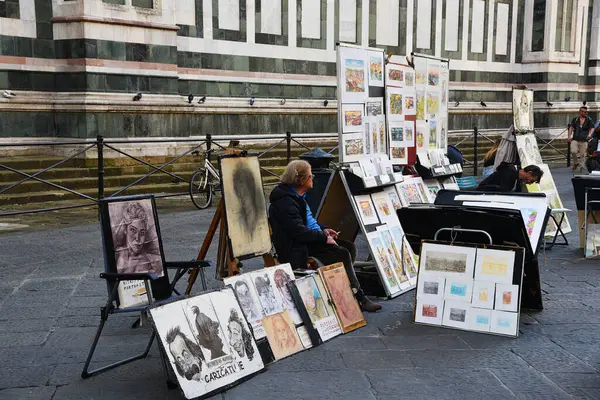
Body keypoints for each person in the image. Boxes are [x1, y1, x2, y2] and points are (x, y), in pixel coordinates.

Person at [269, 160, 381, 313]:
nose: (313, 178)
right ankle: (358, 296)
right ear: (301, 180)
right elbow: (298, 231)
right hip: (295, 247)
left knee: (349, 247)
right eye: (310, 176)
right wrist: (323, 238)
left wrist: (325, 230)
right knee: (341, 253)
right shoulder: (286, 201)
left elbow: (309, 222)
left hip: (305, 240)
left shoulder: (296, 196)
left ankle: (344, 290)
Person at [113, 201, 163, 275]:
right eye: (133, 230)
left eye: (142, 233)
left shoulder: (150, 262)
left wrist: (153, 274)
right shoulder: (116, 256)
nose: (137, 238)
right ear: (125, 229)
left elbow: (155, 280)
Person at [475, 163, 543, 192]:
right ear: (529, 173)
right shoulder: (510, 172)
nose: (530, 183)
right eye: (532, 181)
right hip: (483, 194)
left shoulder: (515, 175)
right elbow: (503, 191)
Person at [568, 106, 594, 172]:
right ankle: (576, 162)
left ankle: (581, 169)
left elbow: (592, 128)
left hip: (584, 140)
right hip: (575, 139)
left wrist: (590, 134)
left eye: (586, 112)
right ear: (580, 112)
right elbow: (571, 127)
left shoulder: (589, 119)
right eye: (583, 111)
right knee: (573, 151)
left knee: (582, 155)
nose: (585, 113)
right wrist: (569, 136)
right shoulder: (575, 119)